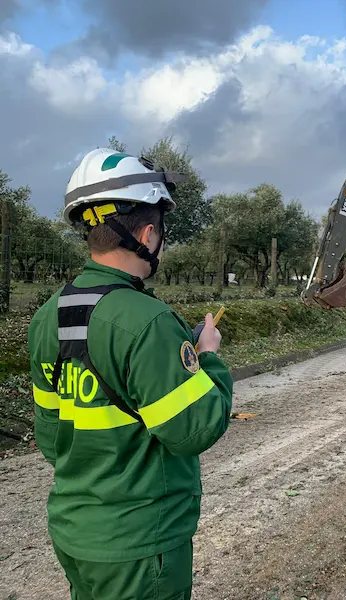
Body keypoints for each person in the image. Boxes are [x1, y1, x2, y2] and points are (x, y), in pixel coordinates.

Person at [27, 148, 234, 599]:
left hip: (78, 536)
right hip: (141, 546)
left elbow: (49, 438)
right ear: (146, 232)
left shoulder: (47, 317)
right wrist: (210, 357)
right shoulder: (149, 322)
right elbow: (193, 429)